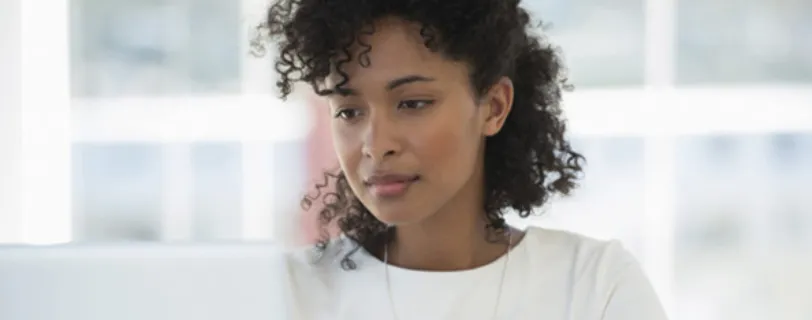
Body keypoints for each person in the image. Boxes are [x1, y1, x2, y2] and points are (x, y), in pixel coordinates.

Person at [261, 0, 668, 319]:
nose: (375, 143)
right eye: (349, 111)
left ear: (493, 107)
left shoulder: (593, 288)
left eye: (413, 103)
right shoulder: (287, 295)